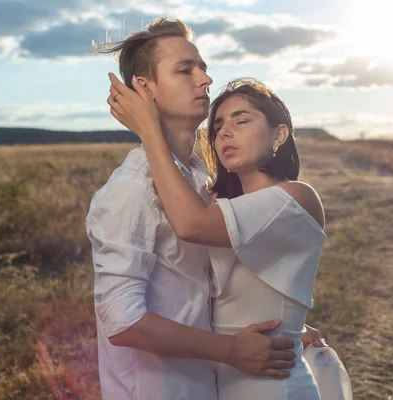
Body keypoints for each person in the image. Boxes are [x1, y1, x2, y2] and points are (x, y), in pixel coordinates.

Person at [87, 17, 325, 400]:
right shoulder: (131, 189)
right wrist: (229, 350)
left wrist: (288, 326)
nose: (205, 80)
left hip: (213, 384)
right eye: (185, 70)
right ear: (145, 89)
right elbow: (121, 321)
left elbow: (220, 289)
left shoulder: (200, 184)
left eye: (204, 68)